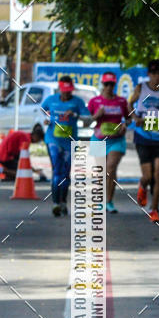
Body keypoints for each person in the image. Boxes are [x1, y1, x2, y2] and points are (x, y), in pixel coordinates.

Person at [127, 59, 159, 223]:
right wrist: (135, 117)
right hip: (144, 137)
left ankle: (154, 210)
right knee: (147, 176)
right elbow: (129, 104)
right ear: (148, 74)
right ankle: (143, 186)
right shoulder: (141, 88)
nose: (156, 77)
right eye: (153, 73)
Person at [41, 75, 87, 216]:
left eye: (69, 91)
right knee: (57, 171)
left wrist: (75, 114)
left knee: (65, 173)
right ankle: (55, 203)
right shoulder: (51, 100)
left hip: (70, 141)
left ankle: (63, 202)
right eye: (64, 91)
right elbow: (43, 111)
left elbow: (88, 118)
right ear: (60, 89)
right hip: (52, 139)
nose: (67, 94)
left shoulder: (78, 102)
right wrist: (46, 120)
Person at [88, 72, 129, 213]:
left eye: (112, 84)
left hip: (116, 140)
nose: (109, 87)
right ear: (102, 85)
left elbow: (128, 117)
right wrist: (96, 116)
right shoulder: (95, 101)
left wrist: (125, 125)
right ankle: (100, 200)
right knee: (101, 172)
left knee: (110, 168)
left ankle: (109, 201)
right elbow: (87, 120)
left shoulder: (122, 101)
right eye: (106, 84)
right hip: (99, 139)